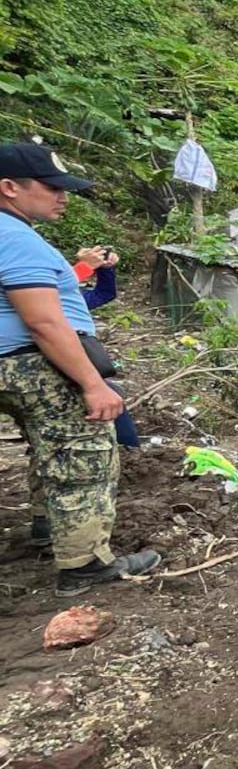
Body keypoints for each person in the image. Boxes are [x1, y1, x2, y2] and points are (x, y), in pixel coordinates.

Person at [0, 142, 156, 595]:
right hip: (33, 366)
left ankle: (48, 526)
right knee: (82, 456)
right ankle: (84, 563)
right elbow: (44, 321)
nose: (63, 197)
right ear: (10, 187)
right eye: (52, 188)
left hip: (12, 366)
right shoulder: (15, 238)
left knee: (46, 445)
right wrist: (91, 383)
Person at [71, 245, 138, 449]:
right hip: (57, 360)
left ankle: (129, 452)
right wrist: (84, 267)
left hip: (80, 360)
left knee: (111, 394)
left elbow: (104, 294)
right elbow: (51, 290)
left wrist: (104, 268)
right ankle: (130, 451)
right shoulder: (35, 292)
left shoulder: (72, 298)